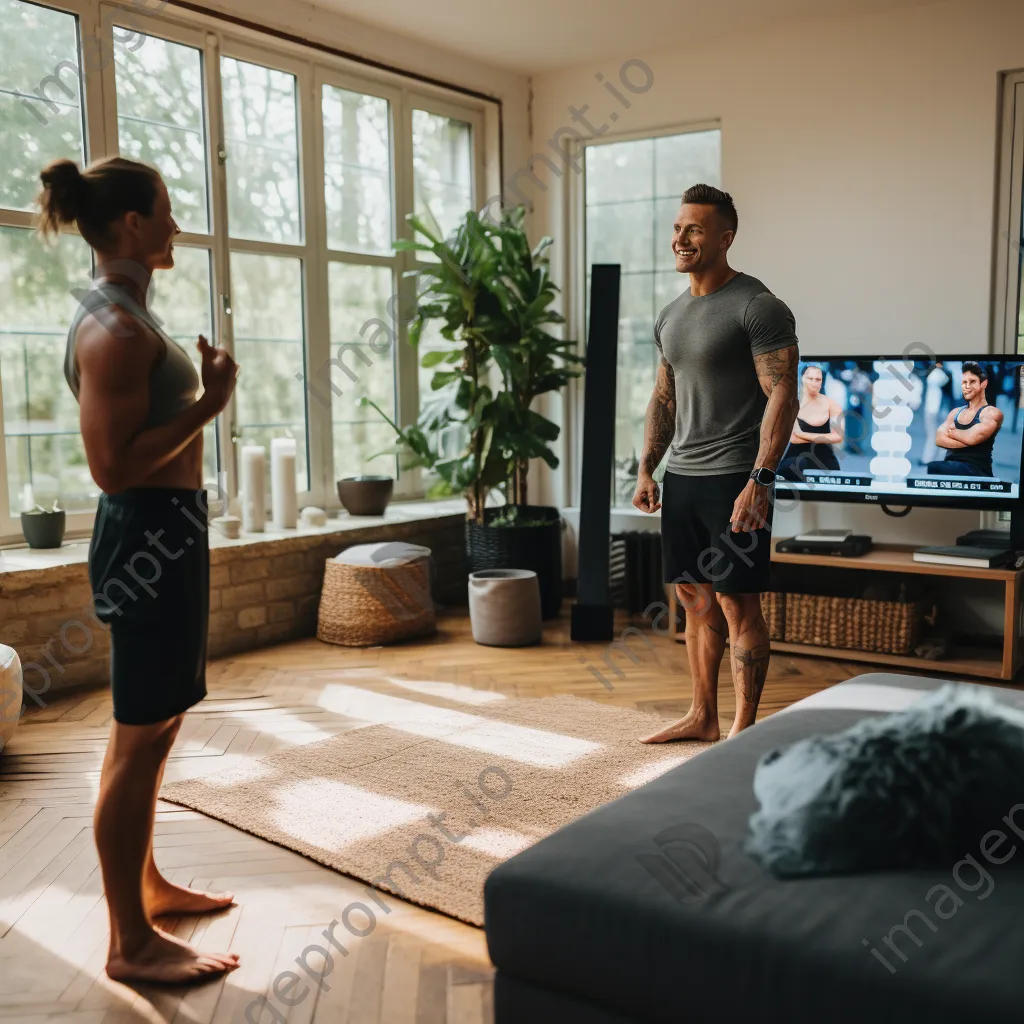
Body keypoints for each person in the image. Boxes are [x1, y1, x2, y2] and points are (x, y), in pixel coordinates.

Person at [36, 156, 240, 984]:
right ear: (130, 225)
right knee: (134, 738)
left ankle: (146, 888)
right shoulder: (113, 330)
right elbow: (112, 468)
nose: (175, 225)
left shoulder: (126, 314)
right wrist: (209, 406)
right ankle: (129, 942)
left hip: (171, 531)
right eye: (165, 211)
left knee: (160, 727)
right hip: (146, 531)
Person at [632, 184, 799, 743]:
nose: (680, 238)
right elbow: (664, 397)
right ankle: (702, 716)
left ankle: (743, 730)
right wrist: (646, 468)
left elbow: (783, 395)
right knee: (693, 597)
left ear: (725, 238)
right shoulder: (671, 314)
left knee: (735, 601)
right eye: (678, 228)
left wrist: (761, 480)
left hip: (735, 478)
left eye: (694, 229)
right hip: (683, 474)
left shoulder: (758, 306)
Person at [926, 361, 1002, 478]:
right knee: (933, 467)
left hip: (976, 471)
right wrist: (967, 438)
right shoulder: (955, 412)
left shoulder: (991, 413)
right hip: (951, 468)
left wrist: (951, 433)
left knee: (935, 467)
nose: (967, 386)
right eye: (964, 382)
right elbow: (939, 439)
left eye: (972, 382)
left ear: (983, 383)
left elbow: (973, 438)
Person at [778, 364, 843, 482]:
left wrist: (802, 434)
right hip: (794, 462)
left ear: (822, 382)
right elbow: (794, 439)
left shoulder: (832, 405)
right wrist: (824, 438)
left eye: (817, 379)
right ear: (802, 379)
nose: (814, 382)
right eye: (810, 378)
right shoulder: (792, 405)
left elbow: (838, 437)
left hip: (825, 464)